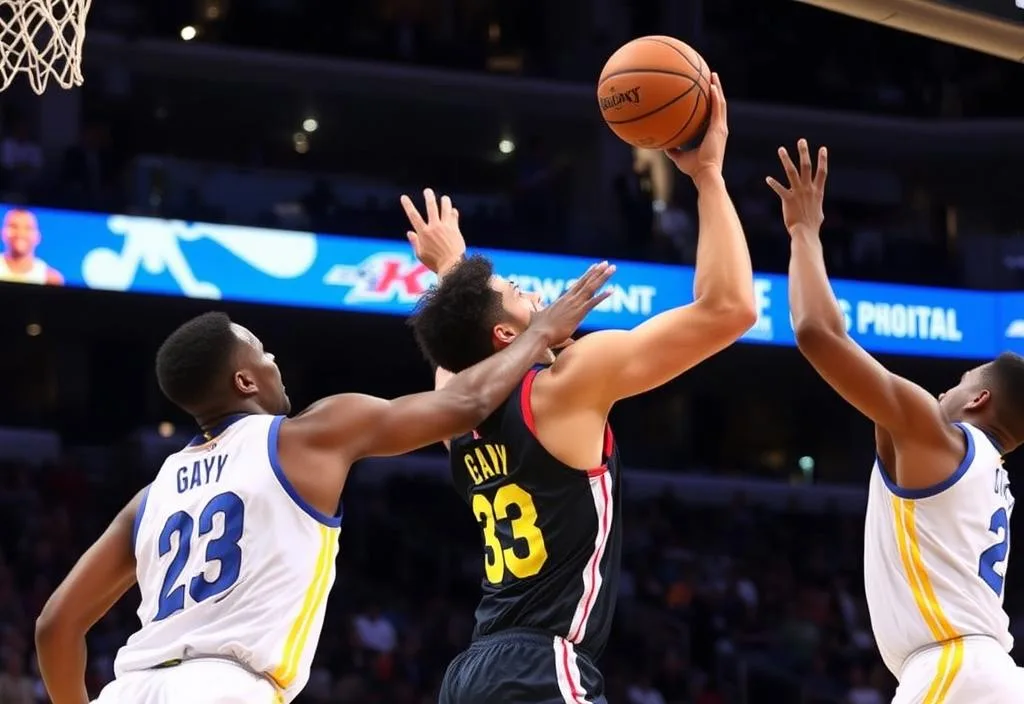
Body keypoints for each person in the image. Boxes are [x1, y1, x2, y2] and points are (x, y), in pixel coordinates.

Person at [33, 262, 614, 704]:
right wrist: (540, 332)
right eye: (261, 352)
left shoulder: (150, 498)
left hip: (127, 687)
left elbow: (56, 626)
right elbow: (466, 402)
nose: (273, 357)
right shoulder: (307, 435)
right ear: (243, 379)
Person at [403, 72, 756, 704]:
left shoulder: (453, 412)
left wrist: (456, 268)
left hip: (472, 670)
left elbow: (463, 353)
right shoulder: (565, 385)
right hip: (542, 663)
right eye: (521, 295)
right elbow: (730, 308)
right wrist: (707, 175)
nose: (536, 296)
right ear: (509, 335)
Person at [771, 138, 1024, 703]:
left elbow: (818, 333)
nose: (944, 389)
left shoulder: (941, 438)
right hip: (988, 673)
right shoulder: (990, 477)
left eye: (959, 381)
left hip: (955, 673)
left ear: (979, 401)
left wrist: (804, 232)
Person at [0, 208, 64, 285]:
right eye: (14, 226)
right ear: (2, 233)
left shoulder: (51, 278)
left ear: (38, 236)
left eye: (28, 228)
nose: (20, 233)